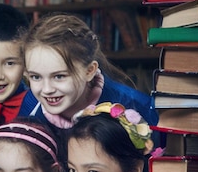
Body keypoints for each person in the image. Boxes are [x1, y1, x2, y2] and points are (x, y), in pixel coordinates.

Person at [19, 13, 156, 132]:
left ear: (89, 71)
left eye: (59, 76)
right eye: (36, 77)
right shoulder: (32, 103)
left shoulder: (136, 109)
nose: (47, 90)